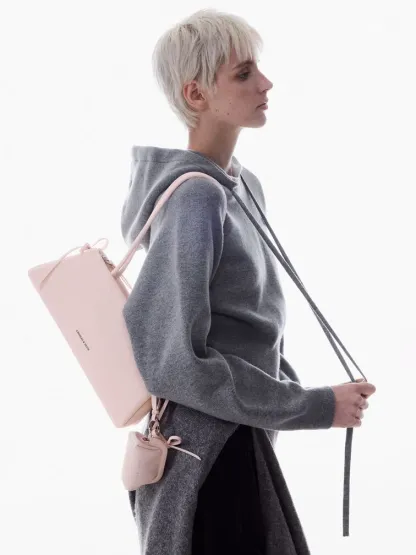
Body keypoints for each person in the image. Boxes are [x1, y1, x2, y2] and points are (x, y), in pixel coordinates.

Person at [121, 8, 377, 555]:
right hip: (209, 459)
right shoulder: (196, 197)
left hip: (240, 440)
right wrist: (314, 405)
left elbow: (253, 331)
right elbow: (173, 363)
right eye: (243, 74)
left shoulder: (241, 186)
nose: (265, 83)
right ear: (196, 94)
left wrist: (298, 398)